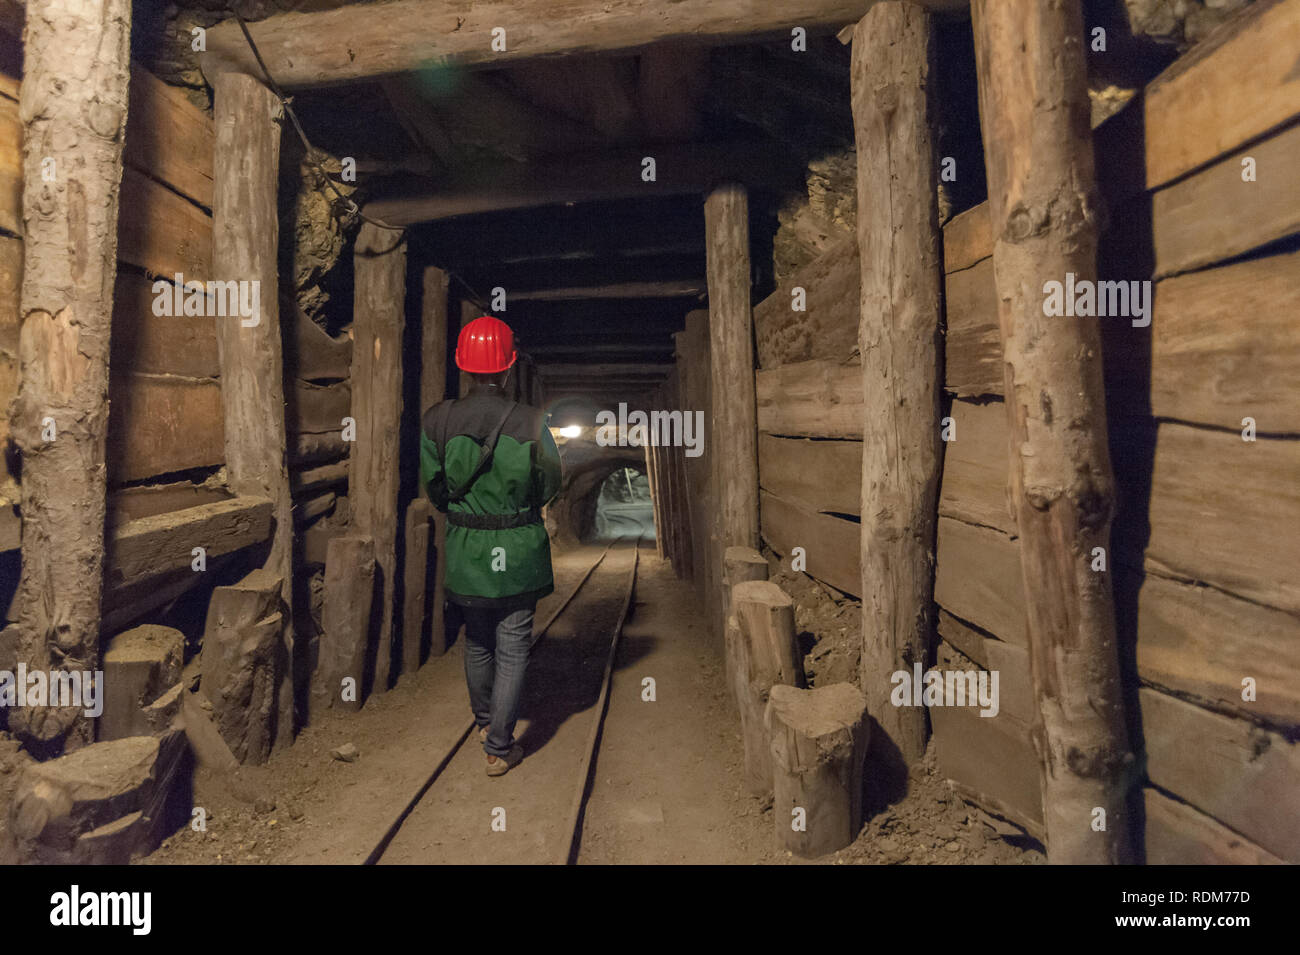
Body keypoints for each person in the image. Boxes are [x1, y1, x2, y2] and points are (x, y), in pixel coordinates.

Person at [420, 316, 562, 776]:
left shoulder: (437, 420)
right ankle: (499, 745)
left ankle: (486, 725)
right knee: (514, 644)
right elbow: (550, 482)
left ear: (463, 367)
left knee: (477, 641)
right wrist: (517, 511)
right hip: (518, 548)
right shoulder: (532, 421)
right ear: (507, 368)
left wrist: (469, 512)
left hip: (466, 547)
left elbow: (435, 488)